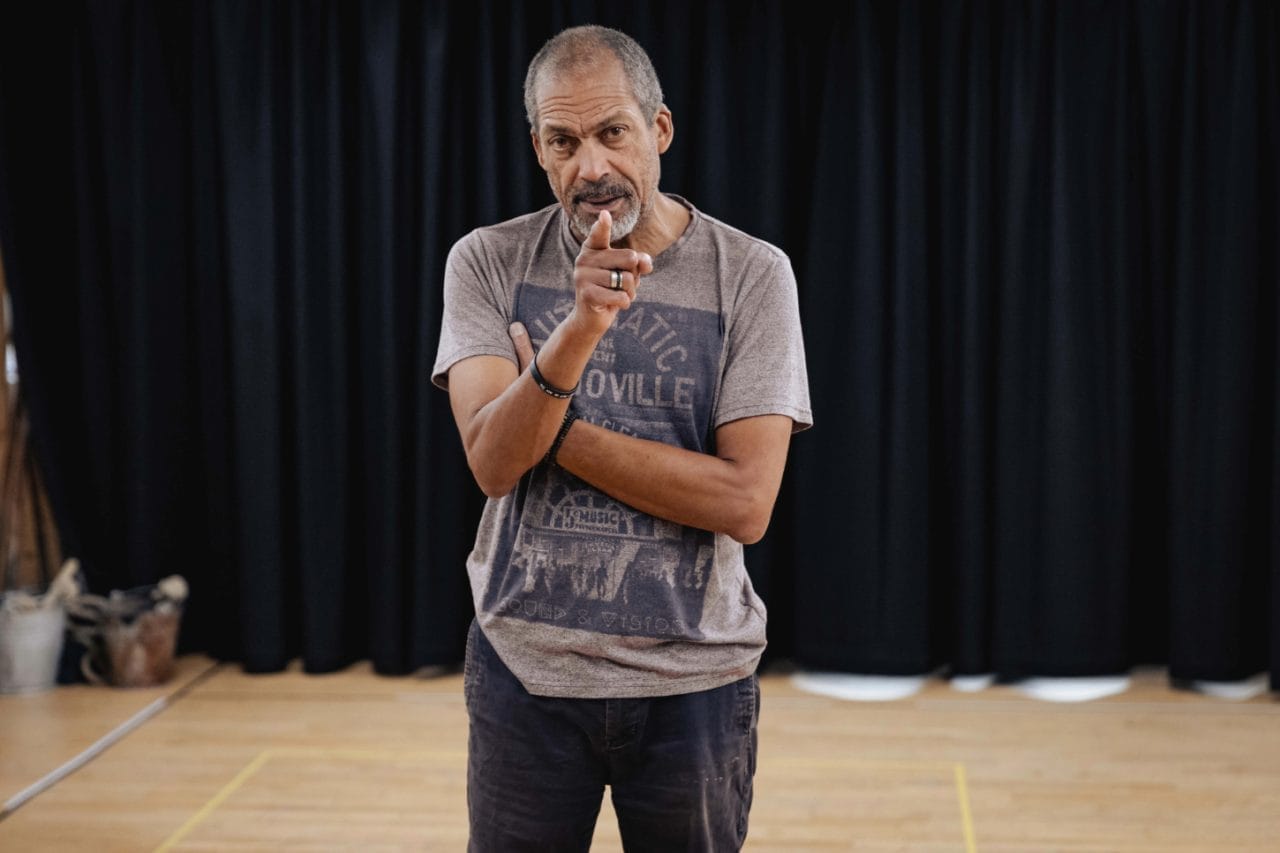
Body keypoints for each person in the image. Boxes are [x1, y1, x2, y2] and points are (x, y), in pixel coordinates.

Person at [431, 23, 812, 852]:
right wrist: (580, 329)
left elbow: (745, 502)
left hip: (697, 682)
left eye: (613, 132)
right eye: (564, 141)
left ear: (660, 129)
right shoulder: (486, 262)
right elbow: (494, 463)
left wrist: (548, 417)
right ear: (539, 148)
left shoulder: (751, 273)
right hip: (524, 672)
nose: (592, 167)